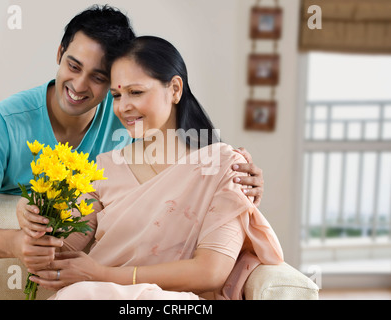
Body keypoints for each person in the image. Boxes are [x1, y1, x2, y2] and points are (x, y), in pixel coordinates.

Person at [0, 5, 263, 269]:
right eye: (74, 65)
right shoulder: (4, 125)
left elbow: (184, 174)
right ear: (59, 53)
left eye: (99, 77)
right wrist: (14, 241)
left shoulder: (128, 114)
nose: (80, 86)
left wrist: (234, 174)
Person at [18, 36, 283, 300]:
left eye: (136, 92)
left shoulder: (224, 166)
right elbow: (58, 252)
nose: (123, 107)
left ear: (175, 89)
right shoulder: (103, 168)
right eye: (117, 96)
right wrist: (29, 213)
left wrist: (101, 274)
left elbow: (211, 272)